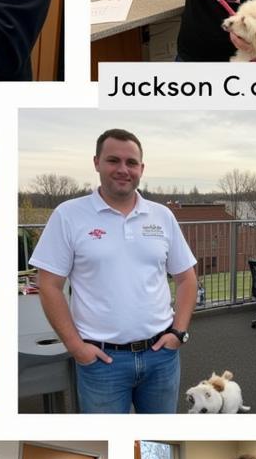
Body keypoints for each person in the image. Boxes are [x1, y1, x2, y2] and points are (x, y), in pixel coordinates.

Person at [30, 128, 197, 414]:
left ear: (141, 169)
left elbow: (186, 278)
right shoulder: (68, 215)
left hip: (161, 356)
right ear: (96, 163)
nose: (123, 169)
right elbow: (49, 285)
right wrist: (76, 347)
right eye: (113, 160)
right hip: (101, 361)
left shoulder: (162, 216)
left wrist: (178, 333)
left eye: (131, 163)